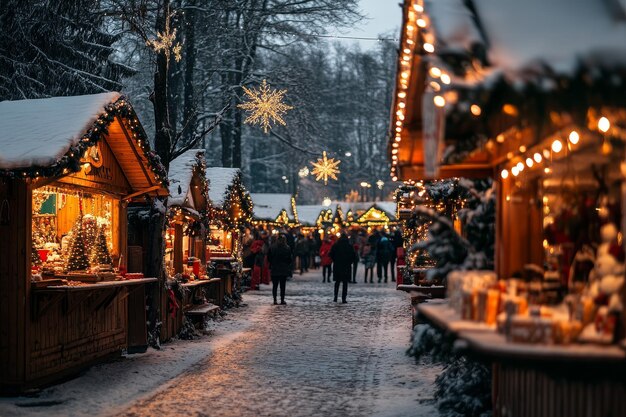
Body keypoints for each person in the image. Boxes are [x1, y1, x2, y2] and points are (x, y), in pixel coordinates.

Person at [329, 233, 356, 303]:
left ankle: (335, 297)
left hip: (337, 265)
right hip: (346, 266)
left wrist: (335, 260)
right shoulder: (349, 246)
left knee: (337, 282)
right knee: (345, 283)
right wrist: (350, 262)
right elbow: (353, 256)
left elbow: (331, 254)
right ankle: (344, 298)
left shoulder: (336, 245)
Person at [267, 234, 292, 305]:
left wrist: (272, 263)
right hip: (283, 269)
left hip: (274, 268)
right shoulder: (287, 248)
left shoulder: (272, 247)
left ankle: (275, 300)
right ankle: (282, 300)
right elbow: (289, 259)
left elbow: (269, 258)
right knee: (282, 286)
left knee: (275, 285)